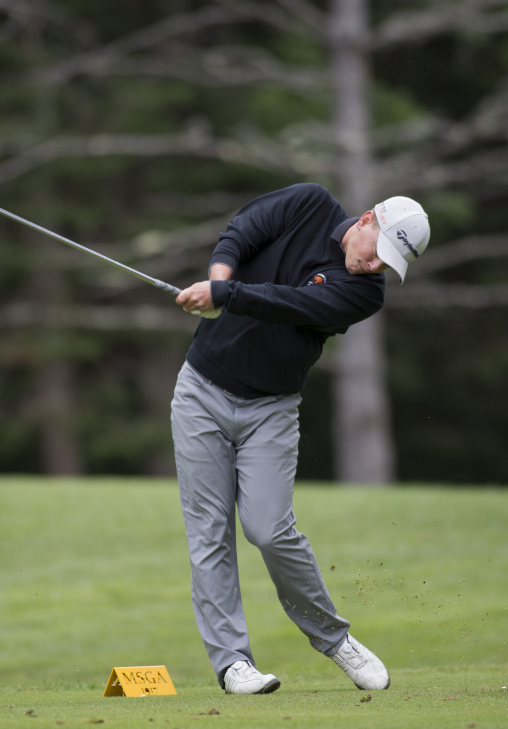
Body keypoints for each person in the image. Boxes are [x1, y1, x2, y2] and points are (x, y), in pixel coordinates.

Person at [170, 183, 430, 695]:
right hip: (201, 392)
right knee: (210, 535)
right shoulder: (308, 203)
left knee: (269, 530)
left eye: (388, 265)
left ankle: (335, 641)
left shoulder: (363, 294)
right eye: (379, 253)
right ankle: (233, 665)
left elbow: (292, 304)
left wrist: (224, 295)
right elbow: (241, 232)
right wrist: (217, 279)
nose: (376, 267)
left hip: (271, 409)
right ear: (365, 221)